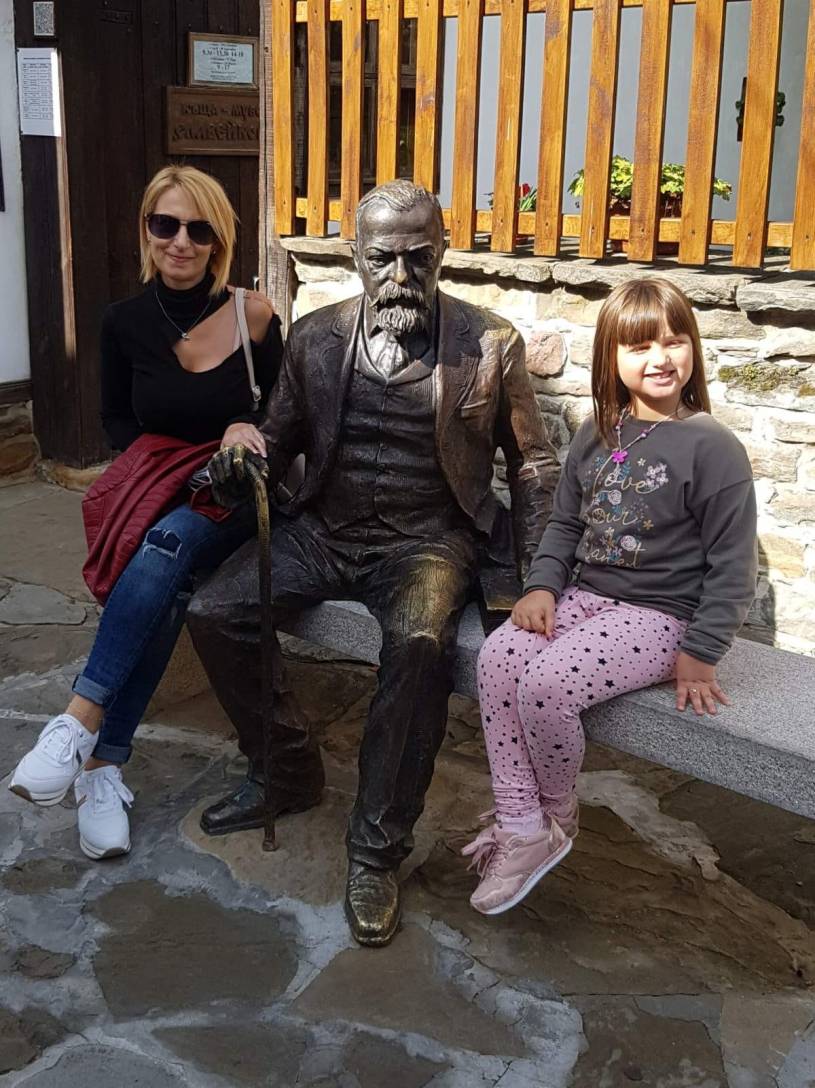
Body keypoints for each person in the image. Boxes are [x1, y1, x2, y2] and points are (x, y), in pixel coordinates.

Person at [186, 179, 561, 947]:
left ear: (442, 252)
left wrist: (542, 580)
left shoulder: (490, 342)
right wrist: (239, 463)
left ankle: (376, 850)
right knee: (213, 610)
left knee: (419, 645)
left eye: (417, 258)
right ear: (355, 255)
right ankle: (286, 769)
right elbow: (275, 439)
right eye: (382, 259)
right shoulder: (315, 338)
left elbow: (532, 463)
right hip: (325, 529)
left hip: (428, 539)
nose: (399, 276)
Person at [9, 165, 282, 861]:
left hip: (232, 496)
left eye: (198, 229)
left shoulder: (252, 315)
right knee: (170, 584)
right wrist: (172, 465)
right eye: (166, 224)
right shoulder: (123, 322)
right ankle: (101, 768)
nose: (180, 241)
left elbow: (283, 416)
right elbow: (117, 422)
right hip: (164, 488)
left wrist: (240, 430)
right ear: (147, 231)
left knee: (163, 546)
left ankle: (78, 723)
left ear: (218, 240)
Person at [463, 277, 757, 916]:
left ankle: (554, 815)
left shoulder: (713, 447)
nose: (661, 358)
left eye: (674, 341)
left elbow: (734, 563)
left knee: (546, 685)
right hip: (585, 597)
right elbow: (564, 524)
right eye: (640, 346)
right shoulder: (599, 433)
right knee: (498, 659)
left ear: (693, 347)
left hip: (660, 618)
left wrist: (702, 652)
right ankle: (520, 822)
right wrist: (542, 587)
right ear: (610, 358)